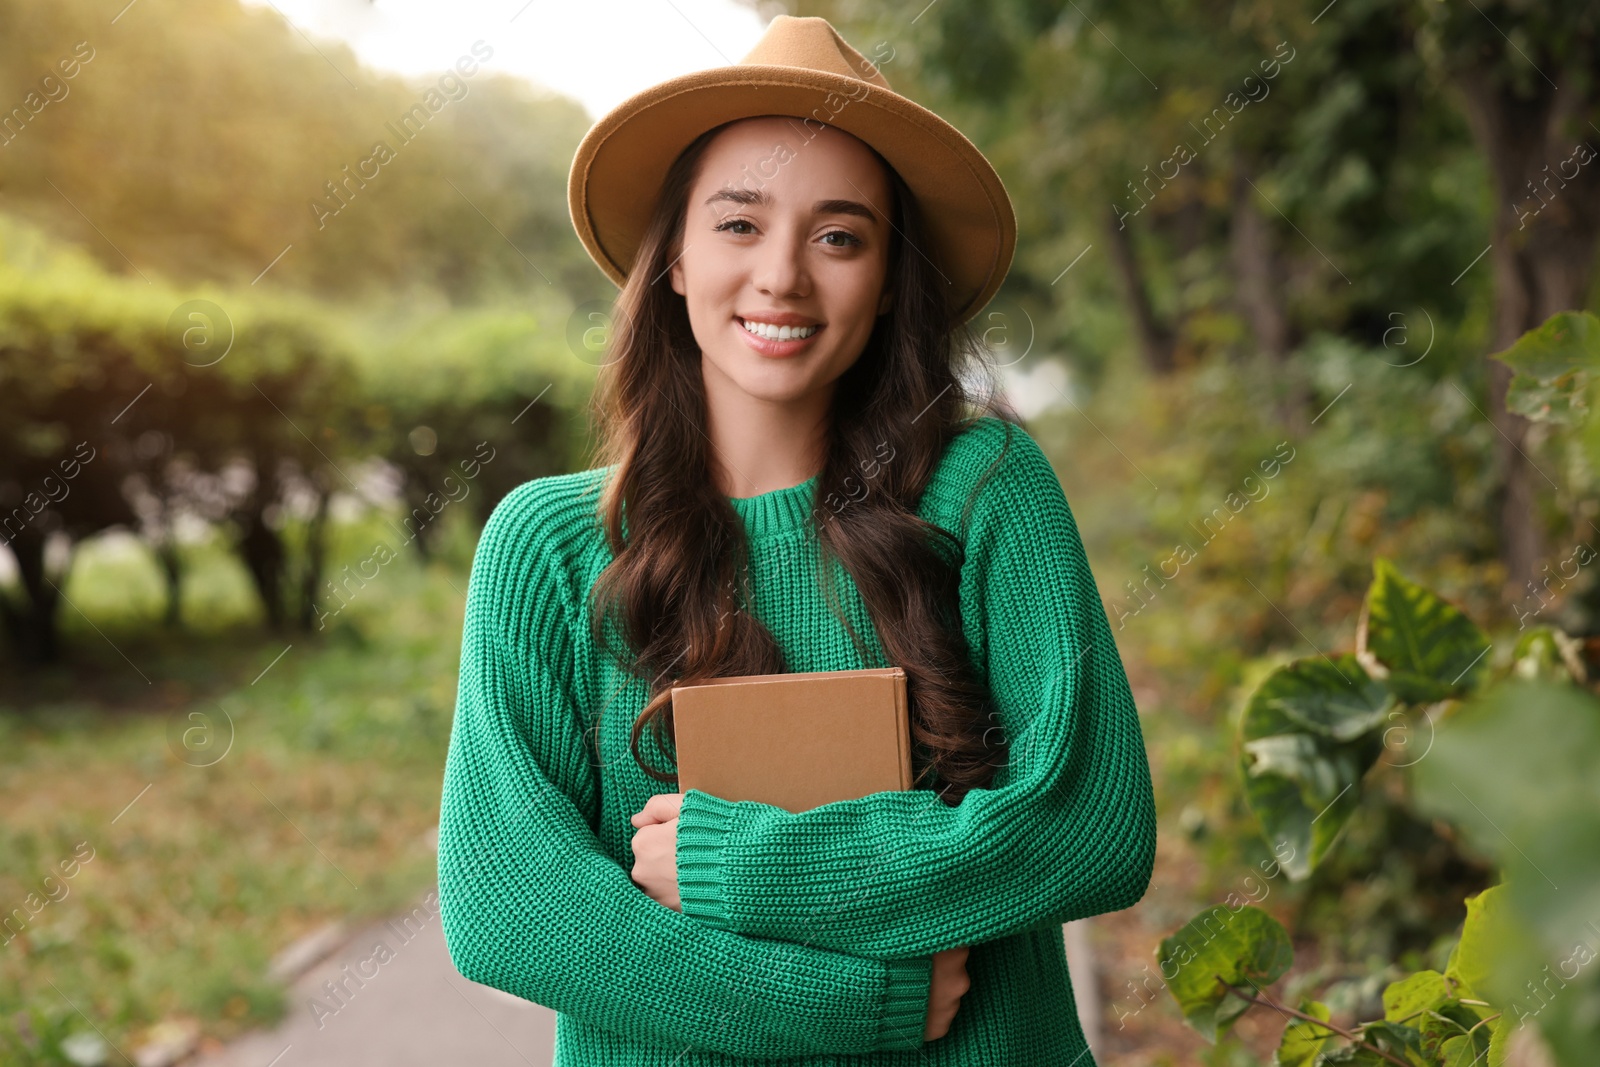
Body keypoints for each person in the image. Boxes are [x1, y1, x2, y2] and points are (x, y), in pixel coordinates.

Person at [436, 14, 1157, 1066]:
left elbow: (1089, 824)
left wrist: (751, 863)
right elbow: (512, 906)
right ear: (672, 260)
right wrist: (853, 1002)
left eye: (837, 235)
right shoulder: (545, 547)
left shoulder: (985, 488)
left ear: (884, 280)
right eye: (737, 224)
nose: (782, 275)